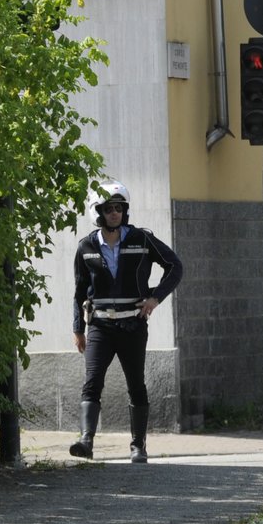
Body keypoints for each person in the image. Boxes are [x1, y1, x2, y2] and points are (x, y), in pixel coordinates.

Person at [70, 182, 184, 462]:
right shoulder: (85, 246)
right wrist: (78, 329)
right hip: (100, 326)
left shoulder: (141, 239)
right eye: (109, 209)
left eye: (119, 209)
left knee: (136, 383)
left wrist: (155, 298)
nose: (115, 214)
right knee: (92, 381)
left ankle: (138, 446)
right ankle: (86, 441)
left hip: (132, 325)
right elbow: (78, 291)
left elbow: (175, 266)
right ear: (97, 212)